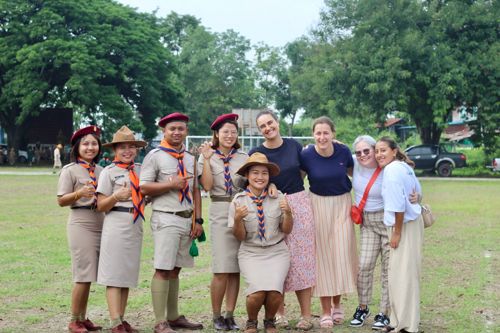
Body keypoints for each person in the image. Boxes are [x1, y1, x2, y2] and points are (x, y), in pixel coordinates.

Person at [249, 110, 316, 330]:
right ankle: (279, 314)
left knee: (302, 261)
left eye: (270, 123)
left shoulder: (294, 145)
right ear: (259, 130)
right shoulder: (256, 152)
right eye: (262, 126)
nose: (268, 128)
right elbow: (251, 181)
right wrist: (270, 187)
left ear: (277, 122)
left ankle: (306, 315)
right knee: (277, 261)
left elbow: (303, 172)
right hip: (270, 205)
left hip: (298, 203)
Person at [140, 112, 204, 333]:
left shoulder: (190, 158)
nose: (177, 132)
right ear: (164, 131)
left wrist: (198, 220)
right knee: (163, 269)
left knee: (176, 269)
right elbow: (144, 187)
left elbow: (195, 190)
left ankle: (174, 316)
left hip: (186, 218)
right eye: (172, 129)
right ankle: (160, 321)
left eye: (181, 128)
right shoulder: (155, 156)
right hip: (166, 217)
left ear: (186, 131)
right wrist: (170, 185)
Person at [300, 116, 358, 328]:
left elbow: (357, 174)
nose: (322, 137)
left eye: (326, 133)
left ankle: (337, 303)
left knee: (341, 254)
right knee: (323, 258)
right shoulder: (306, 154)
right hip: (317, 205)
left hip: (342, 204)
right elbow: (297, 179)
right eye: (318, 133)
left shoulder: (343, 151)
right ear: (313, 135)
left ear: (333, 134)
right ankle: (325, 310)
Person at [229, 152, 293, 333]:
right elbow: (240, 237)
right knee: (256, 294)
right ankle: (251, 322)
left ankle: (270, 321)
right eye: (255, 172)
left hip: (276, 251)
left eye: (264, 173)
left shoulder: (279, 197)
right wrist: (237, 220)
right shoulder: (238, 201)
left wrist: (288, 213)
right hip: (251, 252)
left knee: (274, 292)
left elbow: (287, 230)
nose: (260, 177)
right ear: (247, 176)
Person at [198, 113, 248, 331]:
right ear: (216, 134)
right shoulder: (207, 156)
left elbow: (251, 183)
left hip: (240, 208)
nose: (229, 135)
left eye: (233, 132)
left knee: (235, 268)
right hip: (219, 208)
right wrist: (208, 159)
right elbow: (207, 186)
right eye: (225, 132)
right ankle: (217, 315)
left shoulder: (243, 156)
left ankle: (230, 315)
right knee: (221, 268)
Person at [96, 126, 148, 333]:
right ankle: (115, 321)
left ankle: (122, 319)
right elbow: (100, 205)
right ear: (114, 150)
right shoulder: (108, 172)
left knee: (126, 274)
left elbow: (147, 193)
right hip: (116, 222)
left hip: (135, 223)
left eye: (131, 147)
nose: (127, 151)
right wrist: (116, 196)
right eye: (122, 147)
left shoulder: (140, 170)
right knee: (114, 275)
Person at [56, 125, 105, 333]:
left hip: (101, 223)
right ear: (77, 147)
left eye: (94, 143)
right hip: (81, 223)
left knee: (91, 274)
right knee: (83, 275)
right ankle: (74, 320)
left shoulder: (102, 171)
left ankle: (84, 318)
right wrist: (78, 194)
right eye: (85, 144)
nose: (90, 147)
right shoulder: (70, 170)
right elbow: (61, 200)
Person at [375, 136, 423, 333]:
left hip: (403, 226)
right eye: (377, 151)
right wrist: (418, 198)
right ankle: (398, 320)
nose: (379, 155)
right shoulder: (404, 166)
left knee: (403, 276)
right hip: (410, 224)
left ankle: (405, 325)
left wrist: (396, 232)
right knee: (400, 274)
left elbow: (398, 206)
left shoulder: (393, 170)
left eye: (383, 150)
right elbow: (417, 193)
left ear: (394, 151)